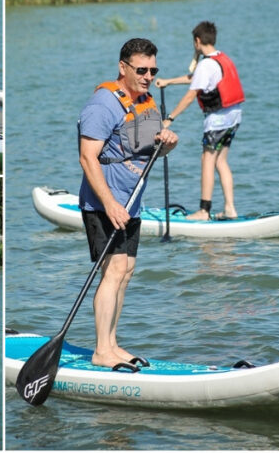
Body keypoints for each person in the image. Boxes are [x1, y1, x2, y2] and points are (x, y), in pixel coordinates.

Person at [78, 37, 178, 368]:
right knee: (114, 270)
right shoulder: (102, 104)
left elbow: (150, 151)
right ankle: (100, 351)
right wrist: (109, 204)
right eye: (141, 70)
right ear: (123, 67)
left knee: (126, 271)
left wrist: (168, 143)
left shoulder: (146, 102)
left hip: (131, 203)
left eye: (153, 70)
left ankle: (112, 344)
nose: (148, 76)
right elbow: (87, 158)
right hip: (103, 203)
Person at [156, 22, 243, 221]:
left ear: (197, 41)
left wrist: (169, 118)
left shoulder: (206, 64)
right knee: (221, 160)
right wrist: (169, 81)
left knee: (207, 159)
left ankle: (204, 210)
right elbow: (195, 78)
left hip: (218, 120)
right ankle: (230, 208)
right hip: (234, 116)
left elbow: (190, 95)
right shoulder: (220, 58)